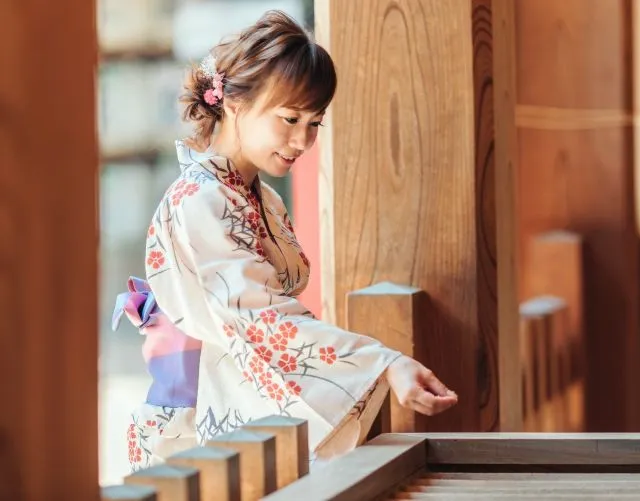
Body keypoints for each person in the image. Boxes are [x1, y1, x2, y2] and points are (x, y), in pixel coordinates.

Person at [113, 9, 457, 472]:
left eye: (315, 123)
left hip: (240, 397)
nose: (303, 139)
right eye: (290, 118)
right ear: (234, 104)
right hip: (200, 417)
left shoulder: (262, 199)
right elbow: (261, 320)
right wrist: (383, 363)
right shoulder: (200, 200)